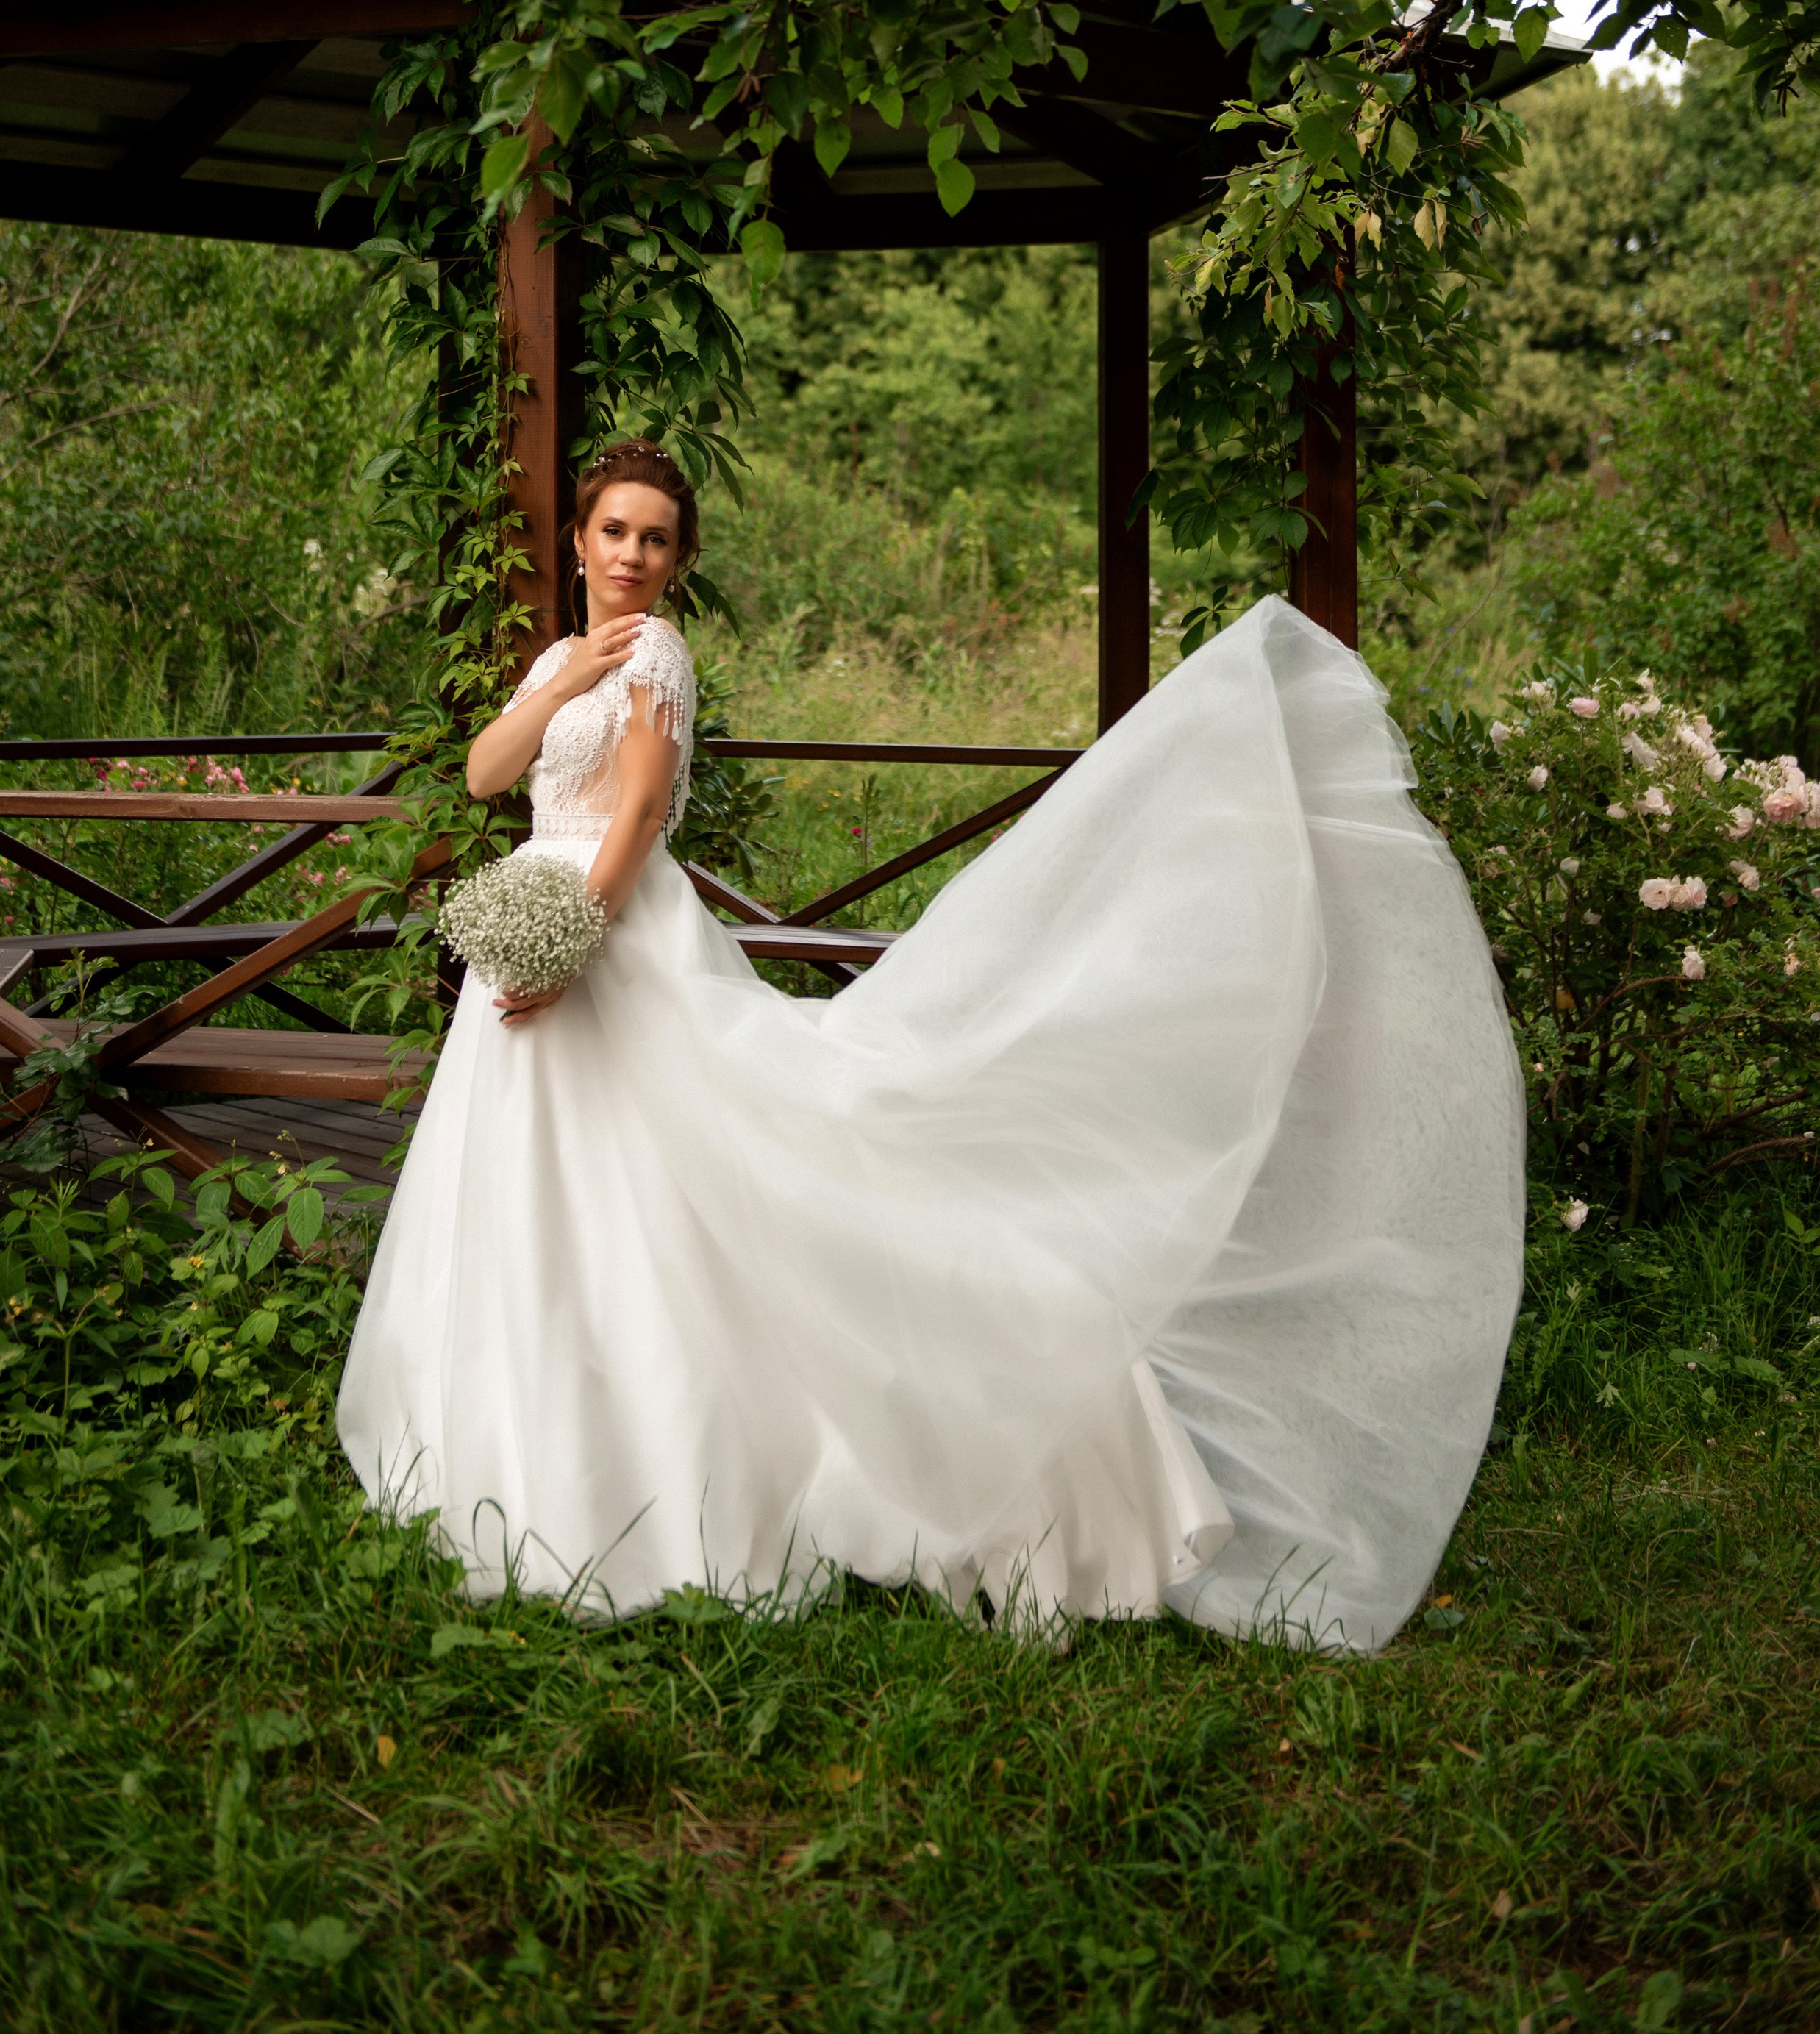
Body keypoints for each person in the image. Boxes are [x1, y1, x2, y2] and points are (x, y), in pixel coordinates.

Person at [338, 440, 1524, 1649]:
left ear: (678, 559)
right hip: (535, 938)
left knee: (690, 1190)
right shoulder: (568, 656)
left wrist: (573, 940)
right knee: (556, 1198)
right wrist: (553, 686)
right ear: (579, 543)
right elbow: (492, 774)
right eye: (614, 533)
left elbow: (639, 811)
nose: (632, 555)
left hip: (608, 937)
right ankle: (532, 1441)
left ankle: (714, 1463)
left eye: (655, 538)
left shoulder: (661, 656)